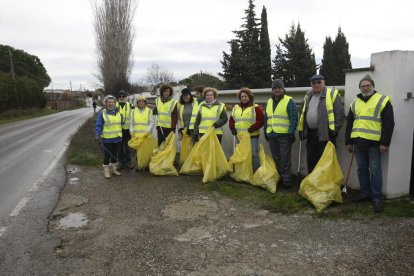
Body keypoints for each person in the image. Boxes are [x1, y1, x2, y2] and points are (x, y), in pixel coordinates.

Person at [345, 74, 395, 213]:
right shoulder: (355, 103)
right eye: (363, 86)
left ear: (373, 86)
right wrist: (348, 141)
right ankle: (365, 193)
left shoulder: (382, 100)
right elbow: (350, 123)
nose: (365, 88)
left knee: (375, 170)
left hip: (374, 143)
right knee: (361, 169)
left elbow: (389, 123)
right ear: (360, 88)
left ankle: (377, 198)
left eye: (368, 85)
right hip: (358, 142)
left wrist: (385, 143)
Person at [298, 74, 345, 173]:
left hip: (326, 135)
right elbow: (302, 112)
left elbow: (339, 114)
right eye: (314, 83)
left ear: (324, 83)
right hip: (311, 134)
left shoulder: (332, 94)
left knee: (325, 161)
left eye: (319, 82)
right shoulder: (308, 95)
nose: (316, 84)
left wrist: (335, 130)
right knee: (311, 160)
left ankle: (324, 185)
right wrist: (301, 130)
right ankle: (312, 184)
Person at [264, 80, 298, 188]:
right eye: (275, 88)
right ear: (272, 90)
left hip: (284, 136)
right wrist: (265, 131)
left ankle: (287, 181)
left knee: (285, 159)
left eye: (279, 88)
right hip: (272, 135)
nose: (277, 90)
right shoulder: (269, 101)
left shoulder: (289, 101)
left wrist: (291, 132)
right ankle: (279, 178)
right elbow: (267, 118)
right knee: (276, 159)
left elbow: (293, 118)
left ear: (283, 89)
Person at [229, 87, 264, 172]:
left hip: (253, 136)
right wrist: (232, 128)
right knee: (241, 154)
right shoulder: (235, 108)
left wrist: (253, 128)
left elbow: (261, 120)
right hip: (240, 136)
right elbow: (231, 119)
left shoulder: (256, 108)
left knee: (254, 155)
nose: (243, 98)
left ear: (249, 97)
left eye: (245, 96)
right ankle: (242, 172)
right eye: (242, 97)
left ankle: (256, 173)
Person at [95, 95, 122, 179]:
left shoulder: (119, 112)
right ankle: (106, 170)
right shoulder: (102, 113)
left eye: (112, 102)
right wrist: (97, 134)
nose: (111, 103)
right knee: (107, 155)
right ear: (106, 103)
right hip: (107, 138)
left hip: (117, 138)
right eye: (109, 102)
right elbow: (98, 125)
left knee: (115, 155)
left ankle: (113, 169)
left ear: (115, 103)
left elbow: (121, 123)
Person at [116, 90, 134, 169]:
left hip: (127, 130)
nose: (121, 98)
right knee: (119, 148)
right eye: (120, 96)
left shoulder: (130, 105)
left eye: (123, 96)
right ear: (118, 97)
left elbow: (135, 115)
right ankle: (120, 163)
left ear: (126, 97)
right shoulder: (114, 105)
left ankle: (128, 162)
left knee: (128, 148)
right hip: (118, 130)